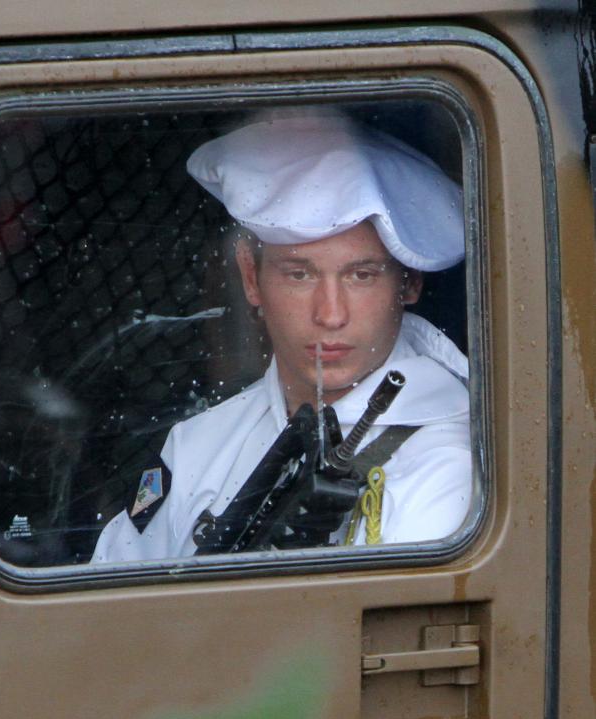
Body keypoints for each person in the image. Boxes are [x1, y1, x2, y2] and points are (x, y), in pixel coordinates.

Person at [92, 112, 471, 564]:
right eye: (299, 274)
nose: (330, 314)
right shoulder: (198, 446)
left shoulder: (455, 461)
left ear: (409, 284)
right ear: (251, 276)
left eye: (362, 275)